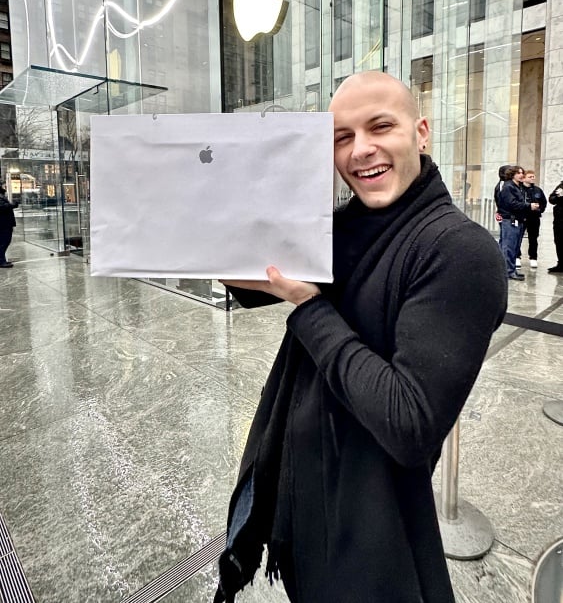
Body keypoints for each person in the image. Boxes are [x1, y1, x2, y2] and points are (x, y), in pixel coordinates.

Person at [214, 71, 507, 603]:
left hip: (372, 517)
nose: (360, 150)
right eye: (341, 137)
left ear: (420, 132)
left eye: (380, 127)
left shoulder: (460, 252)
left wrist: (309, 306)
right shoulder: (346, 225)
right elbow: (258, 283)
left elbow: (409, 422)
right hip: (306, 488)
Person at [496, 165, 540, 280]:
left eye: (522, 172)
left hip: (518, 219)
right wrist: (528, 206)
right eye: (518, 173)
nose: (521, 175)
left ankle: (511, 269)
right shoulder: (508, 186)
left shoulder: (516, 186)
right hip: (510, 219)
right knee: (509, 246)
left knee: (514, 247)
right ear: (512, 174)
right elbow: (512, 204)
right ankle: (508, 271)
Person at [520, 170, 547, 268]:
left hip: (534, 217)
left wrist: (539, 209)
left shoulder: (537, 190)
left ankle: (533, 258)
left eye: (533, 177)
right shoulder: (519, 189)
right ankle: (517, 257)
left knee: (533, 238)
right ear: (524, 178)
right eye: (530, 177)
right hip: (522, 217)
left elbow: (544, 202)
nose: (532, 178)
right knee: (518, 237)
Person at [547, 179, 563, 273]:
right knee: (559, 241)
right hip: (559, 220)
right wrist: (558, 196)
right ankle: (561, 264)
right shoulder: (561, 185)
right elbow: (551, 199)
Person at [0, 185, 16, 268]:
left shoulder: (2, 195)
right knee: (4, 242)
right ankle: (1, 261)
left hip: (6, 222)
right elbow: (2, 207)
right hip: (3, 223)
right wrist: (12, 205)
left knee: (5, 241)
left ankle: (2, 260)